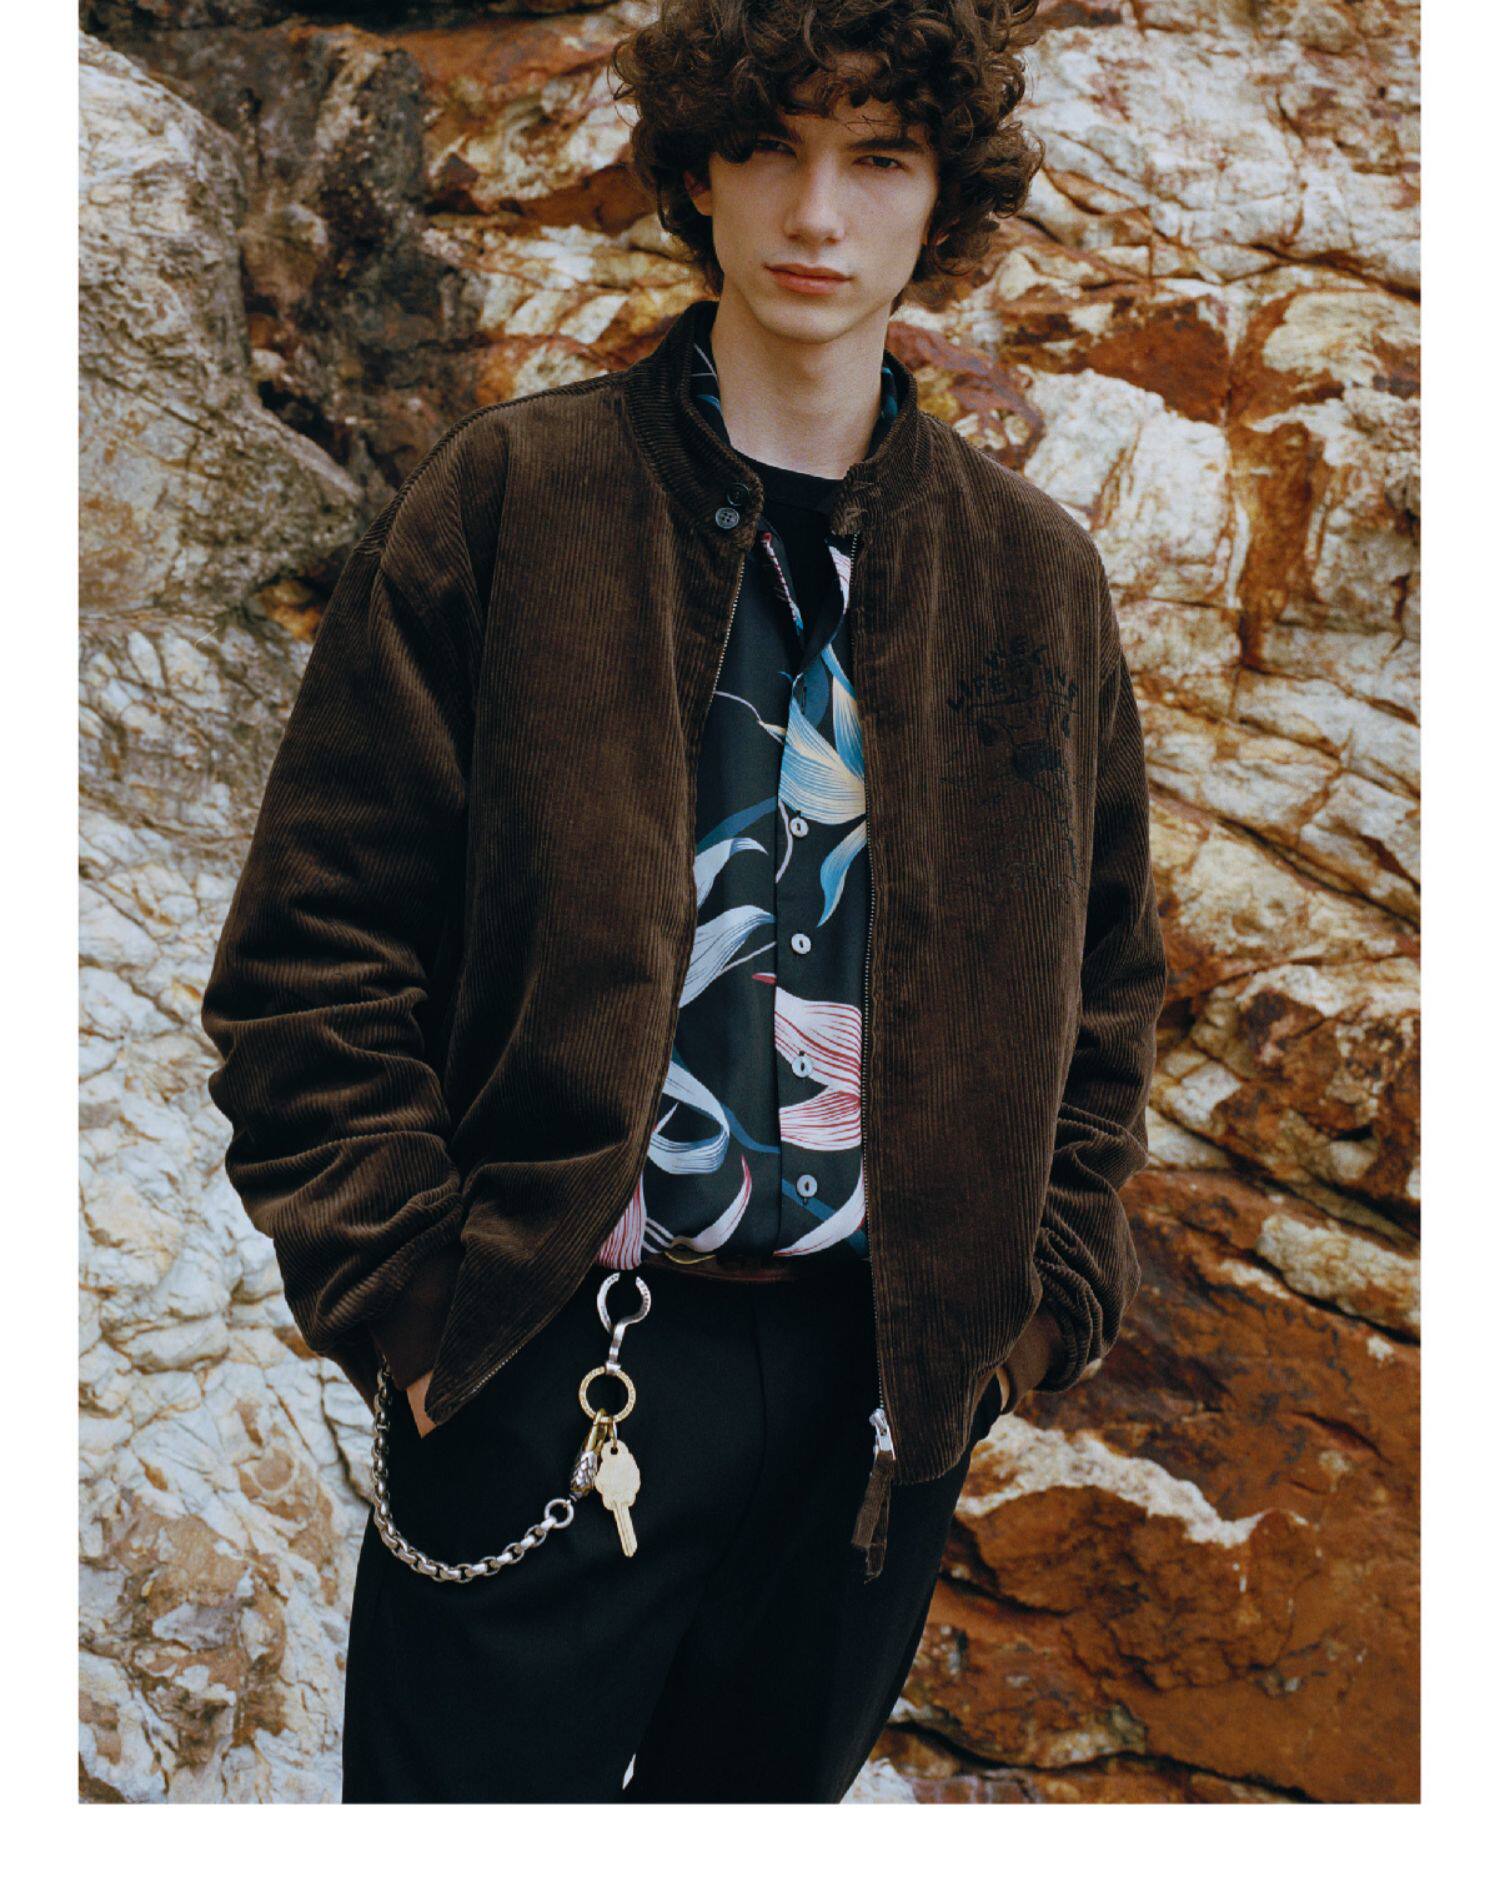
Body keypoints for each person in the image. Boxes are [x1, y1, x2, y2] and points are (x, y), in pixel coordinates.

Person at [199, 0, 1166, 1804]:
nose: (819, 211)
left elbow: (1105, 992)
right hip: (544, 1351)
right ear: (700, 173)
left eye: (879, 158)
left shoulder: (1033, 576)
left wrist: (1025, 1314)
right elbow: (313, 950)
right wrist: (415, 1304)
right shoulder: (515, 497)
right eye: (770, 147)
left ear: (941, 197)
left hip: (879, 1398)